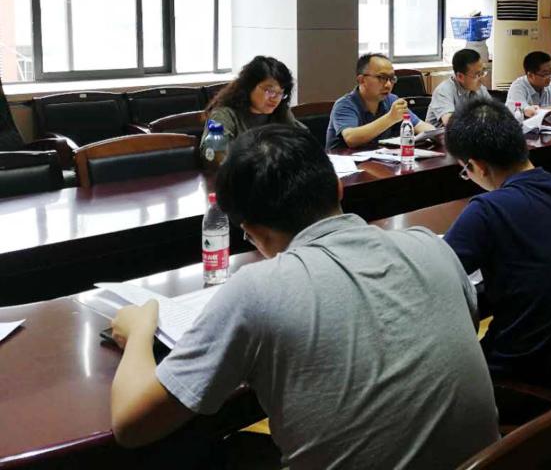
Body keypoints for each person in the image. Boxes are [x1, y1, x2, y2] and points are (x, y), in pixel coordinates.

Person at [108, 125, 498, 469]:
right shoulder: (431, 246)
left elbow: (131, 425)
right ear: (339, 188)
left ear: (251, 231)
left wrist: (140, 330)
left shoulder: (257, 291)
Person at [443, 99, 551, 392]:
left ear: (477, 166)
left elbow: (434, 277)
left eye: (465, 172)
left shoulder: (487, 209)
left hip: (518, 375)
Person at [326, 53, 436, 150]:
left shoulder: (392, 100)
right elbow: (351, 139)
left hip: (380, 162)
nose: (388, 85)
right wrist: (390, 118)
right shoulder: (344, 105)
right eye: (381, 78)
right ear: (361, 80)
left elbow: (420, 125)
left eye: (392, 79)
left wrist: (437, 135)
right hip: (346, 164)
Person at [201, 55, 305, 146]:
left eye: (281, 93)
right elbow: (215, 153)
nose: (275, 99)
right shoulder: (223, 114)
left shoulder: (281, 111)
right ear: (249, 86)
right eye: (270, 91)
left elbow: (303, 140)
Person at [425, 48, 491, 126]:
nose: (482, 79)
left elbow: (493, 113)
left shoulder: (480, 88)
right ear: (460, 76)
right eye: (477, 75)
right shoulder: (443, 91)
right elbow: (451, 123)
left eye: (483, 72)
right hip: (441, 133)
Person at [505, 51, 551, 118]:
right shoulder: (518, 87)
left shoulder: (549, 87)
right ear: (530, 75)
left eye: (550, 72)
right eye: (545, 73)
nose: (549, 77)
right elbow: (529, 112)